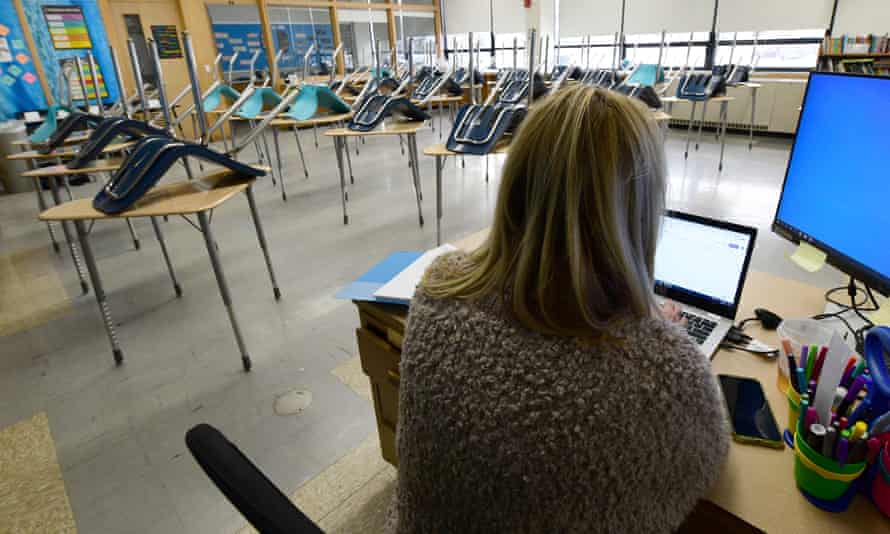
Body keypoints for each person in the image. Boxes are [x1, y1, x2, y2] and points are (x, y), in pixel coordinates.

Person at [386, 85, 729, 533]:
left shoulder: (439, 289)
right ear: (640, 211)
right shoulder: (668, 373)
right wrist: (653, 333)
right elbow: (711, 454)